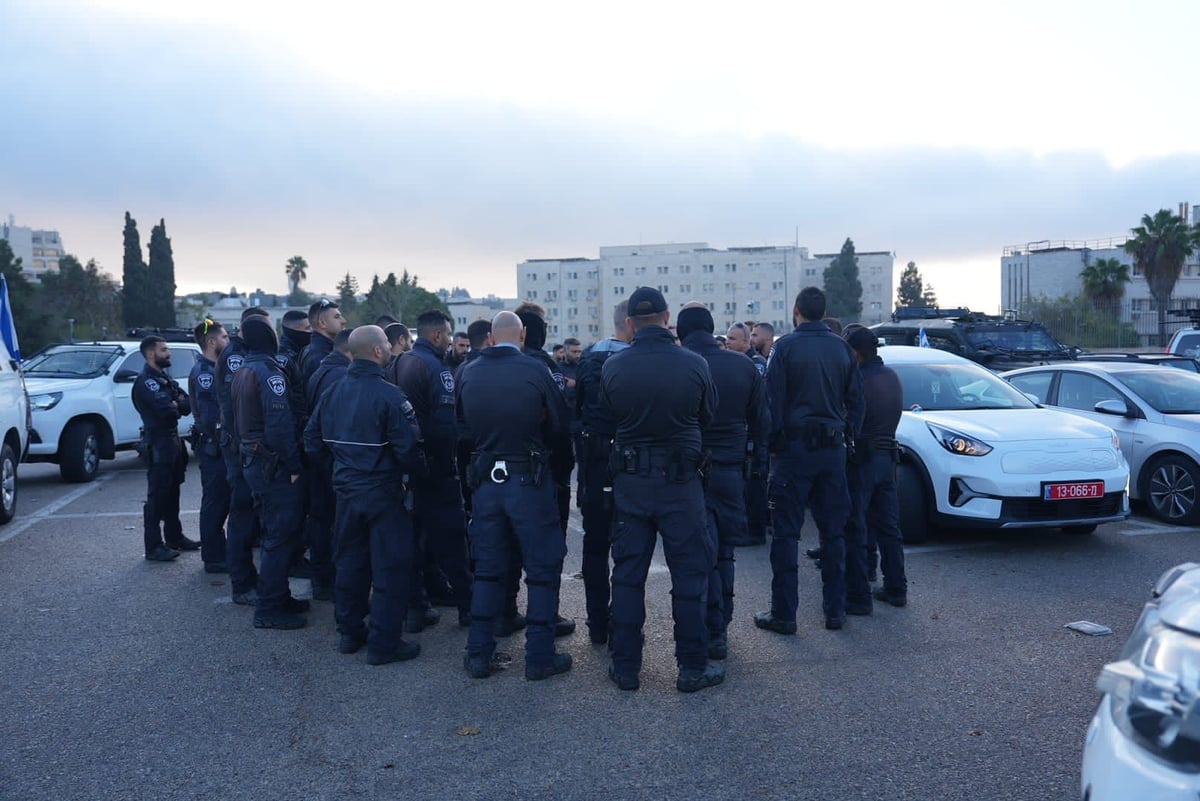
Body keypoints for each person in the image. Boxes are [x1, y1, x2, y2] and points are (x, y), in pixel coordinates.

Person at [601, 287, 722, 693]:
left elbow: (607, 419)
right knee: (690, 575)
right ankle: (691, 666)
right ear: (668, 319)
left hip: (632, 484)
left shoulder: (614, 367)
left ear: (631, 323)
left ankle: (626, 667)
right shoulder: (694, 364)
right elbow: (707, 415)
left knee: (629, 576)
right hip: (680, 483)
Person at [457, 311, 573, 681]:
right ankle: (539, 657)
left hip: (486, 481)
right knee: (542, 569)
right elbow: (560, 426)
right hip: (528, 478)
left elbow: (458, 431)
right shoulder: (535, 370)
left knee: (489, 570)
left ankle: (479, 653)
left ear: (491, 338)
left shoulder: (468, 371)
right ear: (522, 334)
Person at [304, 326, 426, 664]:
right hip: (382, 493)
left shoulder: (332, 391)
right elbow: (409, 450)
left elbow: (312, 440)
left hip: (346, 491)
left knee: (350, 563)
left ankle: (349, 632)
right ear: (375, 352)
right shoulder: (391, 396)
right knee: (389, 567)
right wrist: (416, 478)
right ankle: (384, 643)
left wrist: (340, 469)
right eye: (386, 343)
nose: (389, 347)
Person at [755, 287, 863, 634]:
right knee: (833, 534)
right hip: (831, 452)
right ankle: (835, 610)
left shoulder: (784, 347)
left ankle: (785, 614)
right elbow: (856, 402)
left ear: (796, 310)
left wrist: (772, 444)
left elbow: (772, 401)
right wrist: (847, 436)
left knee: (786, 535)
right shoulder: (841, 347)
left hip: (793, 453)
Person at [678, 305, 766, 661]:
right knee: (724, 550)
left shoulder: (678, 365)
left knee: (693, 554)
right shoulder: (742, 365)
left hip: (687, 469)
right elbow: (762, 421)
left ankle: (704, 626)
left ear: (682, 333)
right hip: (730, 468)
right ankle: (720, 627)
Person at [389, 309, 473, 631]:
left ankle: (417, 608)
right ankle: (468, 608)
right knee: (452, 543)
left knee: (412, 543)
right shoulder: (437, 369)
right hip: (436, 471)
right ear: (437, 335)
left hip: (406, 469)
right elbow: (444, 426)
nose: (451, 340)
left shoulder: (397, 363)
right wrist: (449, 465)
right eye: (449, 334)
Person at [232, 316, 310, 630]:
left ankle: (278, 595)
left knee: (272, 533)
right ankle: (269, 607)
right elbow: (279, 426)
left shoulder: (243, 369)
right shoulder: (268, 374)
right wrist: (293, 465)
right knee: (280, 535)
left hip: (255, 463)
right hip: (273, 466)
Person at [514, 302, 576, 637]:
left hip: (495, 475)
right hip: (543, 472)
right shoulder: (543, 367)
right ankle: (545, 618)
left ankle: (503, 611)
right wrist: (565, 470)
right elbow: (559, 424)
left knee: (504, 549)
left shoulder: (480, 365)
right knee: (546, 551)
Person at [574, 301, 631, 644]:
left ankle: (597, 624)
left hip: (594, 461)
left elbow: (578, 406)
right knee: (627, 549)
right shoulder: (637, 362)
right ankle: (622, 624)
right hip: (627, 463)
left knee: (594, 547)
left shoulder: (590, 356)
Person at [843, 327, 908, 609]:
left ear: (855, 353)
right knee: (889, 527)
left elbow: (850, 420)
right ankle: (896, 588)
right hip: (888, 458)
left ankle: (859, 593)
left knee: (856, 526)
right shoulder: (891, 376)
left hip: (864, 460)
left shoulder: (858, 380)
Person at [216, 307, 270, 604]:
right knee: (241, 514)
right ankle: (242, 583)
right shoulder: (236, 356)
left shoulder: (243, 353)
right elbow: (236, 405)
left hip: (244, 445)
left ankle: (250, 579)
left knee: (249, 515)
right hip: (239, 446)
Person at [302, 328, 354, 601]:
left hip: (322, 458)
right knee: (332, 524)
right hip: (331, 460)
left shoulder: (323, 368)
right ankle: (327, 581)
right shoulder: (339, 375)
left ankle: (323, 578)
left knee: (322, 520)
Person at [132, 336, 194, 562]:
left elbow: (187, 404)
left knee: (173, 493)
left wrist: (177, 403)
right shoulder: (147, 381)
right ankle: (154, 546)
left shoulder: (163, 378)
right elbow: (167, 411)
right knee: (157, 497)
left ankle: (174, 537)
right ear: (151, 354)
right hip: (158, 442)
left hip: (173, 442)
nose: (169, 353)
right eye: (164, 350)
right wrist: (175, 403)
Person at [188, 319, 231, 573]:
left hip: (220, 445)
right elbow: (210, 416)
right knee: (215, 501)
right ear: (212, 341)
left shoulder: (217, 368)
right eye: (224, 337)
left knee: (223, 500)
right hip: (213, 447)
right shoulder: (205, 372)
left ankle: (218, 549)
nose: (228, 341)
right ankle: (213, 557)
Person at [728, 322, 769, 546]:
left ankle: (756, 530)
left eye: (733, 339)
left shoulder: (756, 364)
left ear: (745, 342)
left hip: (754, 431)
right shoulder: (735, 362)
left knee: (755, 482)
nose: (727, 342)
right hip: (741, 431)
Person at [559, 337, 584, 504]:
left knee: (583, 462)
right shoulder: (558, 369)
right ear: (565, 351)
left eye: (579, 351)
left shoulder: (582, 368)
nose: (577, 355)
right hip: (564, 422)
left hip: (580, 421)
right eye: (574, 351)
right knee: (565, 460)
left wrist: (576, 385)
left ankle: (581, 496)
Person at [300, 298, 346, 384]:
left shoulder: (309, 349)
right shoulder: (320, 356)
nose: (343, 321)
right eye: (337, 317)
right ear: (322, 323)